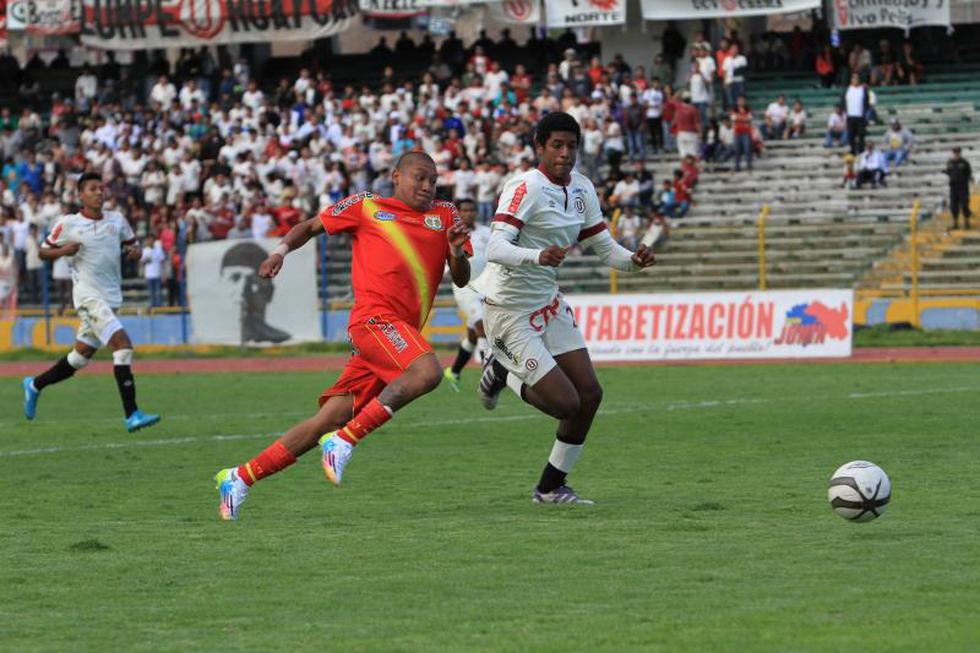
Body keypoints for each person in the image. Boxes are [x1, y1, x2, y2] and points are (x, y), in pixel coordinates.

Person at [214, 152, 472, 521]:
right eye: (420, 177)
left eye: (433, 180)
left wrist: (456, 251)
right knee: (427, 372)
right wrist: (279, 251)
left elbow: (461, 278)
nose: (428, 186)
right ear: (396, 176)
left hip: (397, 337)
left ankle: (239, 477)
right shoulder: (367, 206)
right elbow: (308, 227)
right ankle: (345, 440)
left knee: (326, 420)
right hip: (374, 321)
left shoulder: (445, 214)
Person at [474, 112, 656, 505]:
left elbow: (604, 247)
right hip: (509, 309)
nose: (564, 153)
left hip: (548, 303)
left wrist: (633, 261)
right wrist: (537, 255)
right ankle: (501, 371)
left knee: (589, 395)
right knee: (565, 403)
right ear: (539, 147)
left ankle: (550, 487)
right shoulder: (525, 187)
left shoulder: (583, 188)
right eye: (556, 145)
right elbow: (495, 248)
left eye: (571, 146)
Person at [22, 173, 160, 432]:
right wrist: (63, 251)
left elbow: (134, 247)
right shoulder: (69, 223)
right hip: (88, 297)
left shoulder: (117, 220)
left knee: (79, 358)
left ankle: (34, 385)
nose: (99, 192)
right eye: (93, 189)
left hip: (111, 298)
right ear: (80, 195)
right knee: (122, 346)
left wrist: (136, 252)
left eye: (101, 188)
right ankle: (132, 414)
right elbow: (42, 251)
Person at [444, 198, 491, 389]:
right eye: (465, 210)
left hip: (486, 287)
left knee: (473, 335)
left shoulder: (486, 232)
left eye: (472, 210)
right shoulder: (451, 234)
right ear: (458, 212)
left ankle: (454, 372)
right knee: (483, 328)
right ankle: (488, 377)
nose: (469, 213)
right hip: (465, 289)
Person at [943, 147, 973, 229]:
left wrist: (966, 180)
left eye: (958, 152)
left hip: (963, 187)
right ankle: (955, 223)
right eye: (955, 152)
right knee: (953, 206)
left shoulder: (964, 162)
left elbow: (969, 173)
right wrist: (945, 172)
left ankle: (967, 222)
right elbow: (949, 172)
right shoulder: (950, 162)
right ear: (953, 153)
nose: (956, 154)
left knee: (965, 205)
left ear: (960, 153)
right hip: (953, 188)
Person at [843, 74, 868, 155]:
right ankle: (853, 150)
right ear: (851, 79)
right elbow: (843, 102)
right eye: (854, 78)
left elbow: (866, 102)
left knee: (861, 135)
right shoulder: (847, 89)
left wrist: (864, 112)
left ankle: (861, 150)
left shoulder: (863, 89)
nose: (855, 80)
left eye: (857, 78)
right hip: (850, 116)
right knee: (851, 136)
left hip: (860, 116)